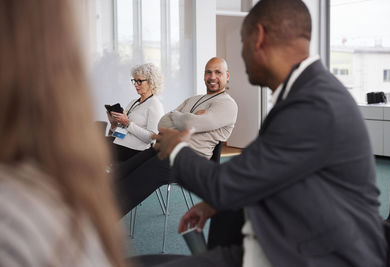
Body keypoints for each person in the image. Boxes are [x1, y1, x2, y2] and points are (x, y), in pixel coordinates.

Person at [150, 0, 387, 266]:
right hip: (288, 237)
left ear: (259, 38)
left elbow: (223, 186)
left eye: (242, 43)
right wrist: (212, 204)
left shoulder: (313, 104)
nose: (242, 56)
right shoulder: (306, 93)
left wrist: (176, 150)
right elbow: (266, 167)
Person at [0, 0, 128, 266]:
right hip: (122, 142)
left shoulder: (24, 217)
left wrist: (128, 126)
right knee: (108, 155)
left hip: (137, 146)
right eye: (135, 81)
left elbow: (148, 134)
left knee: (125, 164)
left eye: (142, 82)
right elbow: (126, 131)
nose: (137, 86)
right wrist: (117, 124)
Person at [115, 57, 238, 216]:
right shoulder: (194, 99)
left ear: (227, 75)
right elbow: (162, 123)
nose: (212, 77)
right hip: (165, 148)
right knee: (120, 173)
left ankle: (100, 225)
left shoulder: (227, 104)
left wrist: (181, 117)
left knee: (131, 186)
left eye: (218, 72)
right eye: (208, 72)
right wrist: (188, 117)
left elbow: (188, 125)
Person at [107, 63, 164, 162]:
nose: (135, 84)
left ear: (151, 82)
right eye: (134, 81)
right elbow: (121, 135)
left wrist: (128, 124)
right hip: (120, 148)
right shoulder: (133, 103)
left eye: (139, 81)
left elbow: (151, 138)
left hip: (135, 153)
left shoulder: (155, 104)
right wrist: (114, 124)